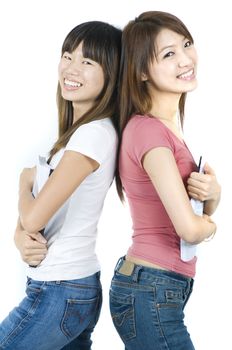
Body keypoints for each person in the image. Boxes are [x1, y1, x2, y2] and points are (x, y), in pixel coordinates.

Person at [0, 21, 121, 350]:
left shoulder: (92, 134)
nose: (71, 68)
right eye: (68, 56)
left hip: (60, 289)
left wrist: (22, 183)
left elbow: (35, 217)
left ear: (112, 72)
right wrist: (19, 234)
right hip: (68, 287)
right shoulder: (80, 134)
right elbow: (39, 220)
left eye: (88, 61)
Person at [109, 11, 221, 350]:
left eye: (186, 44)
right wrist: (210, 226)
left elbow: (188, 212)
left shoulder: (162, 128)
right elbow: (189, 229)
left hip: (155, 286)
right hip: (151, 289)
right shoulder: (150, 133)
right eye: (168, 54)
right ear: (142, 71)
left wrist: (213, 195)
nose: (186, 59)